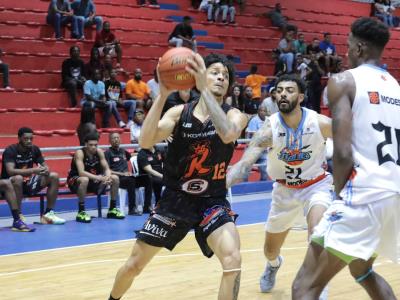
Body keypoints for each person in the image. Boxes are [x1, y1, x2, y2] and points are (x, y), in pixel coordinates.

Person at [108, 53, 248, 300]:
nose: (221, 77)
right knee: (133, 266)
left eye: (225, 76)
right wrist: (162, 95)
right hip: (175, 200)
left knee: (232, 259)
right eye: (215, 72)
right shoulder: (178, 112)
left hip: (212, 201)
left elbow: (227, 135)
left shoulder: (235, 114)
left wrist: (203, 90)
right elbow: (145, 140)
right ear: (201, 76)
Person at [292, 17, 400, 300]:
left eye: (349, 46)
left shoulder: (343, 81)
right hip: (393, 196)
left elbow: (341, 152)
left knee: (305, 287)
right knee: (362, 271)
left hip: (362, 195)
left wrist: (340, 196)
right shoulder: (396, 88)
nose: (346, 52)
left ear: (360, 48)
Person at [226, 74, 333, 296]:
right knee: (270, 250)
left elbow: (352, 139)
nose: (283, 93)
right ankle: (273, 265)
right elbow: (245, 163)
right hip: (284, 191)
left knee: (318, 233)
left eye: (289, 90)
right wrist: (221, 184)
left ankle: (318, 286)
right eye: (279, 90)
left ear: (301, 96)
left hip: (316, 186)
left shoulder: (320, 123)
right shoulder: (269, 128)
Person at [1, 127, 66, 225]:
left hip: (27, 183)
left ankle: (48, 214)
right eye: (26, 139)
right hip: (10, 187)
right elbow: (10, 171)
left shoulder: (34, 149)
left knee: (54, 176)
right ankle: (18, 215)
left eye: (31, 138)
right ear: (19, 138)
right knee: (18, 178)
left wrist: (46, 170)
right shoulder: (10, 150)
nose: (29, 141)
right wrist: (33, 170)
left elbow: (45, 166)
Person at [67, 132, 124, 223]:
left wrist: (108, 177)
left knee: (115, 178)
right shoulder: (80, 153)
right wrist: (100, 178)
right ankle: (81, 212)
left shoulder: (99, 152)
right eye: (91, 145)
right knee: (84, 179)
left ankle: (112, 209)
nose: (93, 147)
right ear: (85, 144)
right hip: (76, 180)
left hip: (94, 180)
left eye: (95, 145)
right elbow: (81, 173)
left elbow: (106, 168)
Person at [105, 132, 152, 216]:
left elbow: (132, 156)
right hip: (118, 180)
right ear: (109, 141)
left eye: (118, 138)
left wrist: (142, 154)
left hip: (128, 178)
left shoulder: (123, 151)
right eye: (114, 138)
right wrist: (122, 174)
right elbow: (107, 170)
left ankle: (146, 207)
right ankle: (132, 209)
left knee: (147, 179)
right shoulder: (107, 153)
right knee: (131, 180)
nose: (116, 140)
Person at [245, 105, 268, 181]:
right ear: (258, 111)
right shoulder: (254, 120)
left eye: (264, 111)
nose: (262, 112)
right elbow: (253, 135)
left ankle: (263, 185)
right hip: (252, 150)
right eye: (261, 110)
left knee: (265, 170)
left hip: (264, 150)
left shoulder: (269, 121)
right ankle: (244, 186)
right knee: (246, 171)